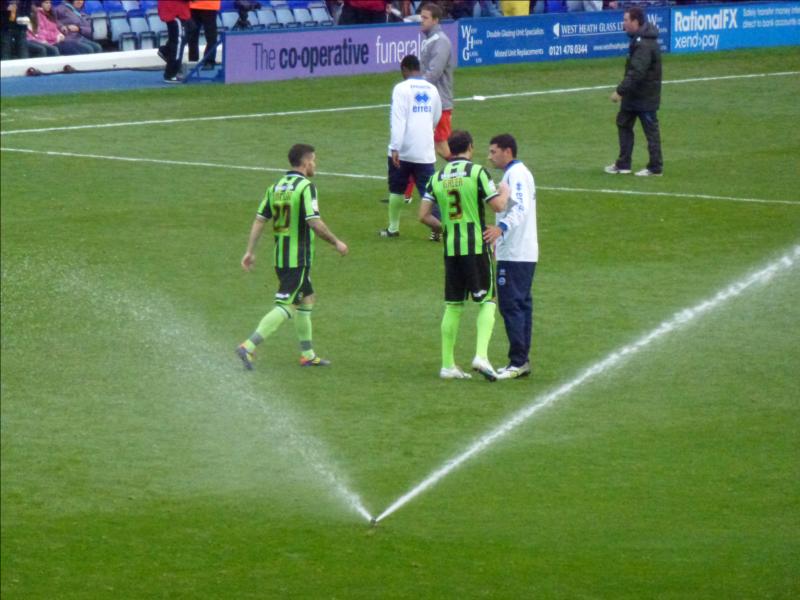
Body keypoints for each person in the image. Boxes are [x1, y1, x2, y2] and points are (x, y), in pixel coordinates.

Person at [236, 144, 349, 370]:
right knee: (287, 305)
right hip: (297, 258)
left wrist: (250, 251)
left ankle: (307, 354)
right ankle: (248, 346)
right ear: (306, 162)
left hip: (281, 257)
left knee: (307, 299)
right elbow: (314, 222)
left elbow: (260, 220)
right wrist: (336, 242)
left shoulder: (275, 187)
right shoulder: (306, 187)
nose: (315, 165)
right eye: (314, 160)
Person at [418, 130, 509, 381]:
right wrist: (505, 191)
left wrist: (444, 228)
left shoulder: (436, 177)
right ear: (470, 146)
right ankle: (481, 355)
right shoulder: (477, 172)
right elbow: (498, 206)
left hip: (451, 249)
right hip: (476, 248)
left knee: (453, 305)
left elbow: (423, 215)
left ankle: (448, 364)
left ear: (450, 149)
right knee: (488, 300)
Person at [483, 134, 538, 379]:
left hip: (516, 252)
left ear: (508, 151)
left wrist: (500, 229)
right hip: (521, 251)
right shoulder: (518, 173)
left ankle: (517, 361)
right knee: (522, 305)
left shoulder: (515, 174)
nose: (490, 156)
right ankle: (521, 360)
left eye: (494, 151)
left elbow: (521, 208)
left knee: (511, 305)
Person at [380, 54, 441, 239]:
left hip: (404, 150)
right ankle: (435, 230)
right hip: (425, 151)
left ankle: (393, 228)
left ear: (404, 69)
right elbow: (436, 116)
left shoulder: (401, 89)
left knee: (397, 189)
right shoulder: (432, 89)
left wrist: (395, 147)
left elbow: (398, 119)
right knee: (430, 192)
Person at [605, 4, 663, 176]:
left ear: (635, 22)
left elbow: (637, 72)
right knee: (623, 123)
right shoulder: (640, 40)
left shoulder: (644, 44)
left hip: (644, 96)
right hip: (635, 96)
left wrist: (620, 91)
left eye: (626, 20)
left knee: (650, 130)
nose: (623, 24)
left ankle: (655, 167)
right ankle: (623, 164)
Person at [157, 0, 192, 83]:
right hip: (174, 11)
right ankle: (171, 73)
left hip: (175, 10)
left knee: (191, 28)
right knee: (177, 42)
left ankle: (166, 51)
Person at [187, 0, 219, 70]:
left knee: (211, 36)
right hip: (193, 5)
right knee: (192, 35)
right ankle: (193, 61)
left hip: (209, 6)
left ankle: (209, 60)